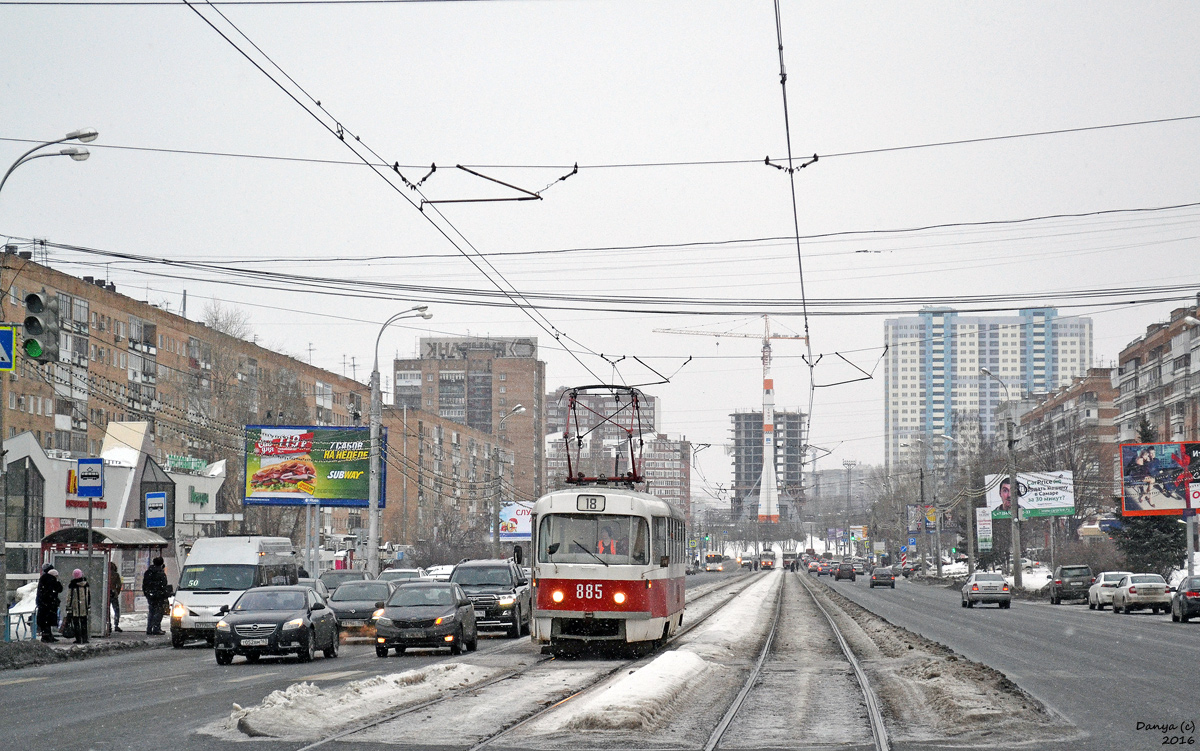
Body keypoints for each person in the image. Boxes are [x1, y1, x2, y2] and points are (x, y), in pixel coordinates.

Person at [142, 556, 171, 636]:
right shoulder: (161, 573)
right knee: (158, 612)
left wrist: (147, 593)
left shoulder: (148, 572)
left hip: (150, 595)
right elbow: (163, 585)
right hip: (159, 596)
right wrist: (165, 594)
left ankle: (149, 628)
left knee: (151, 611)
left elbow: (144, 584)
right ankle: (156, 628)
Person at [35, 565, 63, 643]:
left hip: (43, 604)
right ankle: (47, 636)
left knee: (45, 621)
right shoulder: (52, 581)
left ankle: (47, 635)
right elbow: (59, 589)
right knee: (48, 621)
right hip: (50, 604)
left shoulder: (43, 579)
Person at [66, 569, 91, 644]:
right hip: (84, 607)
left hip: (75, 607)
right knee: (84, 623)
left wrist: (68, 607)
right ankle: (85, 638)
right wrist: (88, 606)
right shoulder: (86, 584)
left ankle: (78, 639)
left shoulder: (72, 585)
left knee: (76, 623)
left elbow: (69, 597)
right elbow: (89, 596)